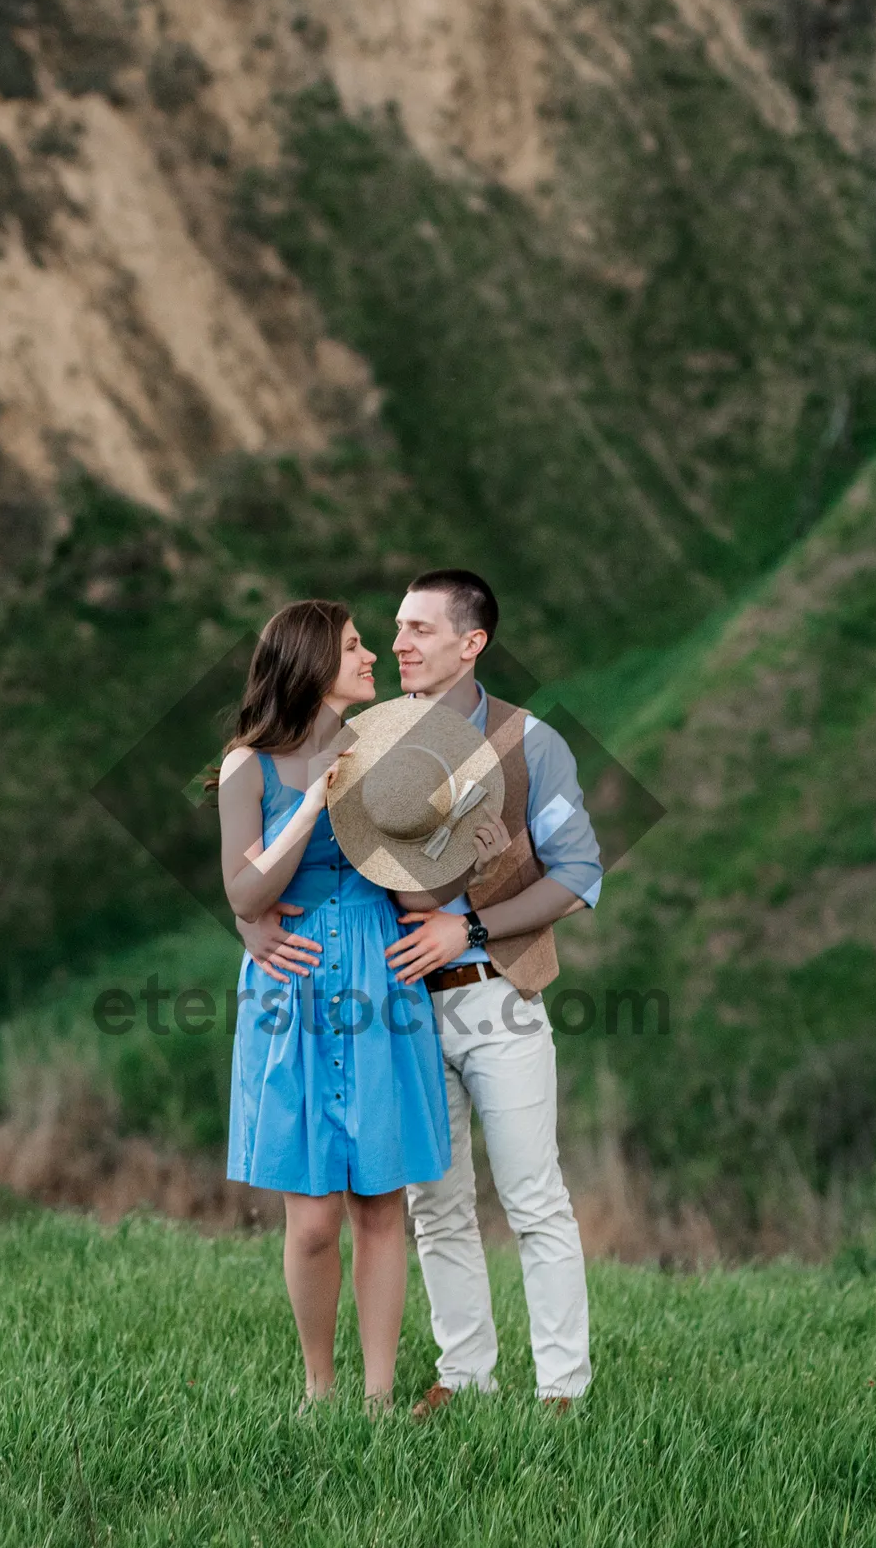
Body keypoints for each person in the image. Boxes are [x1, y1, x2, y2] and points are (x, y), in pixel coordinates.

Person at [238, 572, 602, 1414]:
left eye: (420, 630)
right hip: (390, 1013)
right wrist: (251, 928)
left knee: (532, 1196)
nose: (398, 644)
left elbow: (580, 874)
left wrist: (469, 927)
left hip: (494, 994)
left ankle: (562, 1390)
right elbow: (295, 862)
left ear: (471, 644)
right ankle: (465, 1377)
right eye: (392, 629)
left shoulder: (529, 741)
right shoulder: (360, 738)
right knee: (433, 1207)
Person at [219, 599, 499, 1415]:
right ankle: (320, 1388)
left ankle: (377, 1400)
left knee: (381, 1205)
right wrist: (313, 804)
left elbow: (419, 883)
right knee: (310, 1221)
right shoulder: (250, 766)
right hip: (293, 991)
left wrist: (464, 855)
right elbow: (245, 890)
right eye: (353, 646)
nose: (373, 655)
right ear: (310, 661)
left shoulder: (384, 750)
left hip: (380, 980)